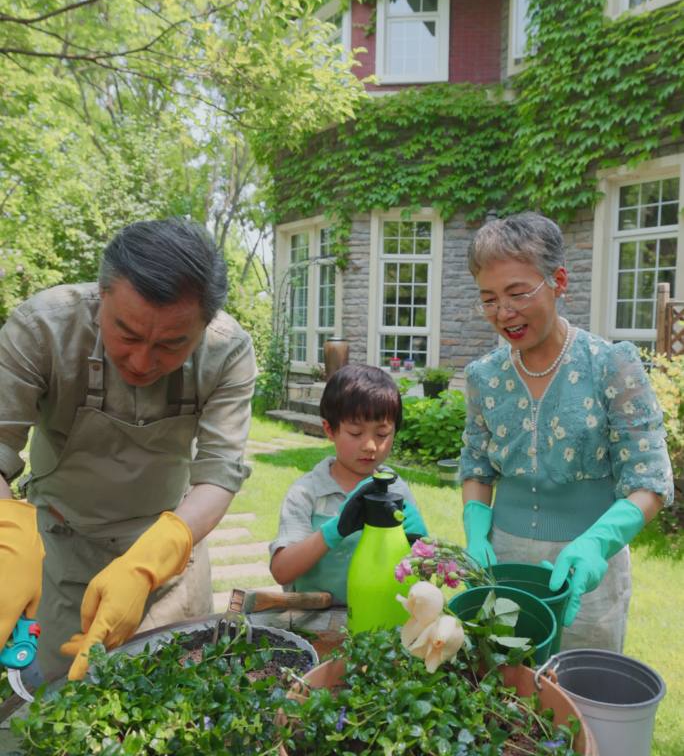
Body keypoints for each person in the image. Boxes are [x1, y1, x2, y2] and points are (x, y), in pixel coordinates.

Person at [0, 218, 257, 681]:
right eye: (128, 334)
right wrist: (9, 538)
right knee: (64, 704)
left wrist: (151, 561)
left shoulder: (228, 351)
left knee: (175, 700)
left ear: (205, 324)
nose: (142, 362)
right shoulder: (42, 329)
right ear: (103, 295)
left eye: (171, 345)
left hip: (171, 562)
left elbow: (219, 474)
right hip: (61, 551)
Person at [459, 211, 673, 652]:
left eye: (517, 293)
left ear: (558, 281)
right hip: (505, 565)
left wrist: (597, 542)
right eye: (489, 298)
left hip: (590, 569)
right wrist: (476, 533)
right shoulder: (483, 377)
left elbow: (651, 480)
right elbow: (476, 465)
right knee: (506, 692)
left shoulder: (611, 365)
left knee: (581, 696)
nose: (504, 312)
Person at [269, 364, 427, 604]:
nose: (370, 446)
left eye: (382, 434)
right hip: (312, 623)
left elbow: (420, 577)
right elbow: (281, 571)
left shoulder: (396, 490)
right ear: (329, 429)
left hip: (378, 623)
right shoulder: (307, 493)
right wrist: (334, 530)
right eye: (355, 433)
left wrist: (421, 547)